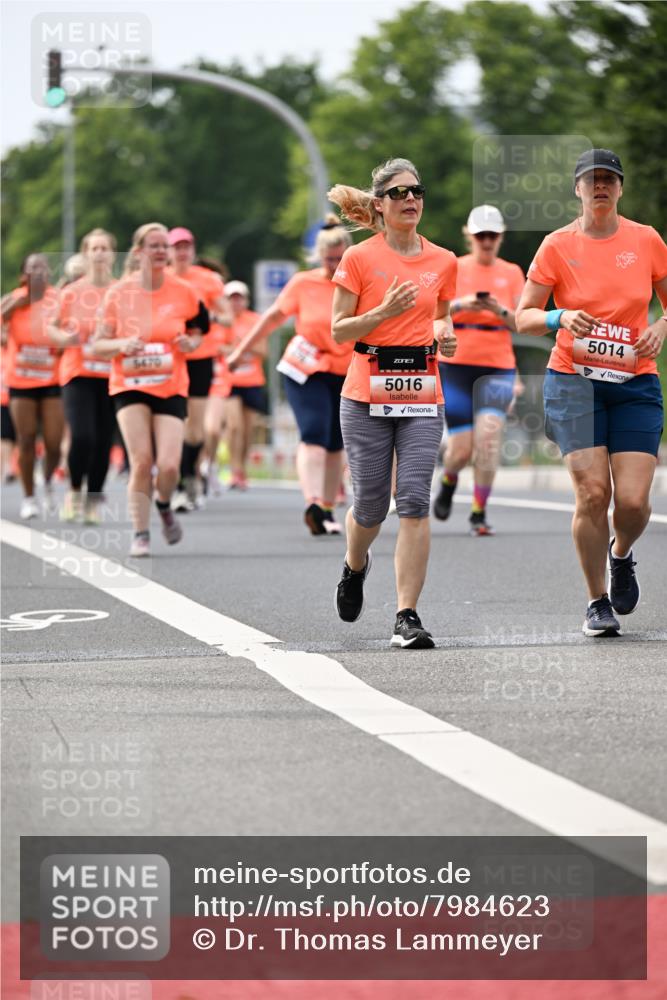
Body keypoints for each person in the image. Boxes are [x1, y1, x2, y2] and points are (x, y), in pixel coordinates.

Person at [516, 148, 667, 636]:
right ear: (577, 188)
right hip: (573, 381)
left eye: (609, 179)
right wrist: (559, 316)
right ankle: (596, 600)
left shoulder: (645, 239)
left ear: (620, 188)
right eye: (591, 179)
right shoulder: (556, 245)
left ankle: (620, 553)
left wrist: (661, 327)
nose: (600, 186)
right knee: (592, 493)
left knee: (634, 503)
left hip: (635, 382)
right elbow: (523, 316)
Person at [328, 157, 457, 648]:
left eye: (417, 192)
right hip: (365, 392)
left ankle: (407, 615)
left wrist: (445, 335)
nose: (410, 200)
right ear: (380, 205)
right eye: (399, 193)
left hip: (422, 389)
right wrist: (383, 312)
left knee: (415, 500)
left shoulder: (443, 260)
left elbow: (440, 315)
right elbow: (339, 330)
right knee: (370, 506)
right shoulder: (359, 258)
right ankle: (354, 563)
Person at [227, 215, 354, 535]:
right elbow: (272, 318)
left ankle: (327, 510)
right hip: (306, 369)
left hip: (346, 369)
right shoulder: (303, 283)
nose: (334, 266)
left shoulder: (359, 284)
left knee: (335, 442)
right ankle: (313, 502)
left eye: (340, 259)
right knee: (313, 433)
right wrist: (240, 352)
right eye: (329, 259)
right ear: (318, 256)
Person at [93, 222, 208, 557]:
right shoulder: (119, 293)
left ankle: (164, 503)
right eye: (153, 245)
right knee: (142, 461)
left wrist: (191, 343)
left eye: (164, 246)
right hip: (129, 385)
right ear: (138, 251)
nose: (160, 251)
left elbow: (200, 328)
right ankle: (140, 532)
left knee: (169, 466)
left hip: (171, 384)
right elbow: (98, 344)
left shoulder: (184, 291)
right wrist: (121, 344)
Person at [433, 205, 525, 535]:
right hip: (456, 365)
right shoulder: (453, 267)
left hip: (497, 366)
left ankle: (478, 511)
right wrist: (464, 304)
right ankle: (448, 479)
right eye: (480, 236)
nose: (486, 242)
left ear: (500, 238)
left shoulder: (512, 272)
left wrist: (498, 309)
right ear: (469, 236)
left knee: (488, 439)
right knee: (461, 450)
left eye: (492, 236)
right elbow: (434, 311)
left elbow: (522, 321)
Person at [49, 229, 117, 523]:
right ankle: (75, 489)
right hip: (77, 372)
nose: (99, 253)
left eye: (104, 248)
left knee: (103, 441)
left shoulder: (122, 292)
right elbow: (51, 327)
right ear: (85, 254)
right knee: (82, 436)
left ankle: (93, 500)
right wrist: (64, 338)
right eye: (94, 248)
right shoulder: (71, 293)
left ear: (113, 254)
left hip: (112, 375)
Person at [167, 227, 231, 511]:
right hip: (168, 358)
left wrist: (207, 317)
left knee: (194, 428)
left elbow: (228, 317)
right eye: (176, 247)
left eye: (186, 247)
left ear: (193, 250)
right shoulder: (160, 278)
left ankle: (190, 476)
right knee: (172, 421)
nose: (182, 252)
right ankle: (179, 483)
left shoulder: (207, 280)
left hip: (200, 358)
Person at [1, 254, 63, 519]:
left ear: (48, 272)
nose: (37, 271)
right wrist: (13, 308)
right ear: (24, 274)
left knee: (54, 443)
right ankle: (29, 497)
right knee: (25, 439)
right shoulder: (14, 299)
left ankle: (47, 481)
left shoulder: (58, 299)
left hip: (52, 379)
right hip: (21, 380)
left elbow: (72, 329)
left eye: (42, 267)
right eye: (32, 267)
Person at [206, 280, 267, 490]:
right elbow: (215, 348)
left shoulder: (255, 320)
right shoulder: (221, 320)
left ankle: (242, 468)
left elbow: (263, 351)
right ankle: (234, 470)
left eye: (239, 298)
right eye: (231, 299)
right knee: (234, 426)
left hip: (252, 380)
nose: (235, 303)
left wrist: (239, 348)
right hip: (228, 380)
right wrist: (237, 348)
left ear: (246, 300)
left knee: (248, 430)